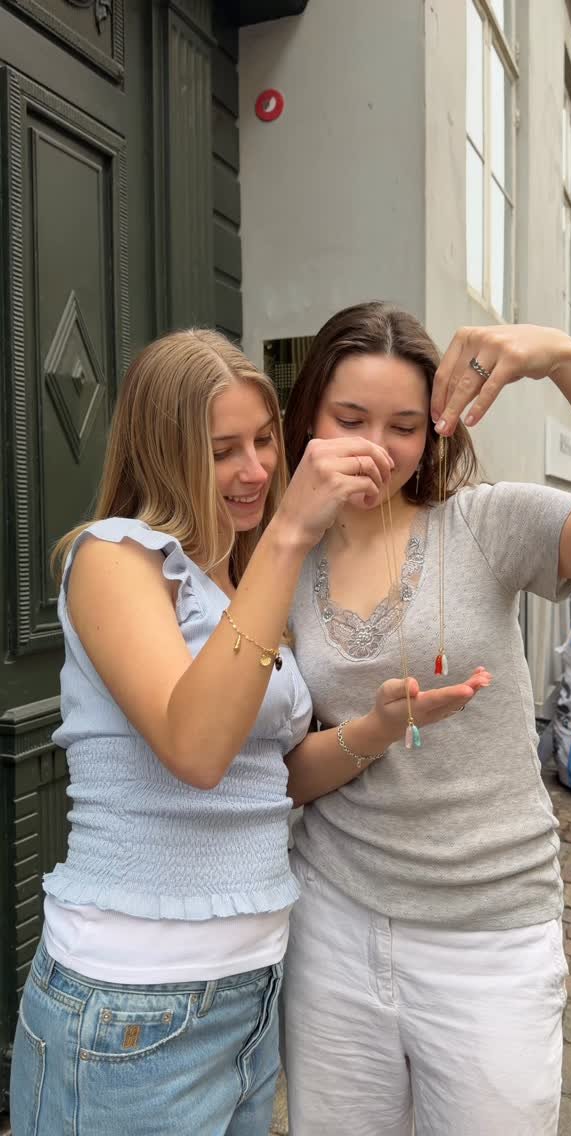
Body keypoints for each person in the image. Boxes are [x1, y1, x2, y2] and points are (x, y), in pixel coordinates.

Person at [9, 327, 412, 1136]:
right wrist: (291, 534)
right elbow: (195, 749)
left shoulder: (238, 581)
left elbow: (269, 779)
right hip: (129, 1008)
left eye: (264, 440)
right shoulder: (114, 558)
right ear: (163, 454)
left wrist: (377, 727)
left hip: (249, 994)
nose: (256, 469)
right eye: (222, 450)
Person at [280, 302, 571, 1136]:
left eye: (405, 426)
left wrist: (565, 360)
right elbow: (283, 768)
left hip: (489, 934)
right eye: (350, 419)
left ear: (436, 428)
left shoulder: (483, 523)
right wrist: (369, 735)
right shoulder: (281, 554)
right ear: (308, 417)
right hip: (334, 919)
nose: (378, 447)